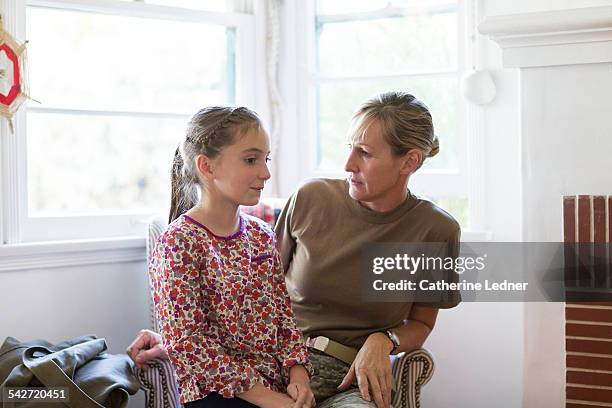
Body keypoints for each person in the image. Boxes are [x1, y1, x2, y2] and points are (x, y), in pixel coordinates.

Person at [129, 92, 461, 408]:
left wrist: (385, 339)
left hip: (347, 376)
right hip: (274, 373)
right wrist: (173, 338)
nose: (347, 164)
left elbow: (421, 323)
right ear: (207, 166)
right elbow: (250, 300)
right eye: (350, 148)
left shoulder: (436, 231)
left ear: (410, 161)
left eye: (364, 152)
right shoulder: (311, 198)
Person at [146, 106, 314, 408]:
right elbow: (187, 345)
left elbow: (283, 318)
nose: (265, 172)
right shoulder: (178, 242)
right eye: (251, 160)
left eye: (266, 159)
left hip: (277, 388)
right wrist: (269, 400)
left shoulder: (262, 234)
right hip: (219, 396)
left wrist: (298, 374)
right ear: (207, 167)